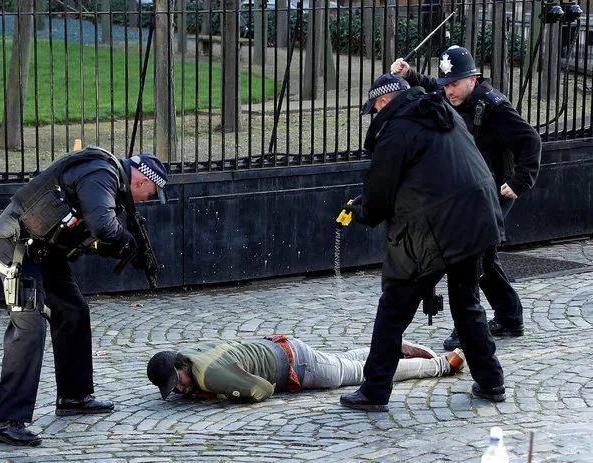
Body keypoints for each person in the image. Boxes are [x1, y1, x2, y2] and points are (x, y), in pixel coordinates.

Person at [338, 74, 506, 412]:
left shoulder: (397, 130)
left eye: (375, 108)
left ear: (384, 102)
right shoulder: (442, 109)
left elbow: (379, 197)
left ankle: (374, 391)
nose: (375, 115)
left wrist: (357, 211)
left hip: (436, 228)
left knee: (393, 309)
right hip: (479, 217)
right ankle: (492, 382)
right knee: (466, 302)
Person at [0, 147, 168, 446]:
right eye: (151, 192)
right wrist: (125, 240)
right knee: (29, 328)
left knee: (73, 311)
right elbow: (102, 226)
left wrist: (125, 250)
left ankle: (73, 396)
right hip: (16, 245)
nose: (148, 198)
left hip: (44, 251)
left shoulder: (108, 181)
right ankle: (6, 421)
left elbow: (90, 235)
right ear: (140, 180)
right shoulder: (101, 173)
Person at [391, 46, 542, 350]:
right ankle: (510, 316)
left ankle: (468, 323)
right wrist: (409, 74)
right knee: (482, 254)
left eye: (455, 84)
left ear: (472, 79)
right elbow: (433, 86)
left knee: (468, 252)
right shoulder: (453, 94)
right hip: (470, 191)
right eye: (446, 85)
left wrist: (520, 180)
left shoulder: (494, 108)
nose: (449, 91)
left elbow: (531, 140)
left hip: (496, 189)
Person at [146, 336, 466, 403]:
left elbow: (261, 389)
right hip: (283, 345)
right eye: (173, 389)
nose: (179, 390)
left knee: (364, 373)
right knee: (347, 360)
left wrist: (215, 394)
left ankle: (440, 365)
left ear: (180, 365)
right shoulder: (191, 355)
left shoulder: (210, 376)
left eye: (178, 382)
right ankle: (391, 345)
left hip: (299, 366)